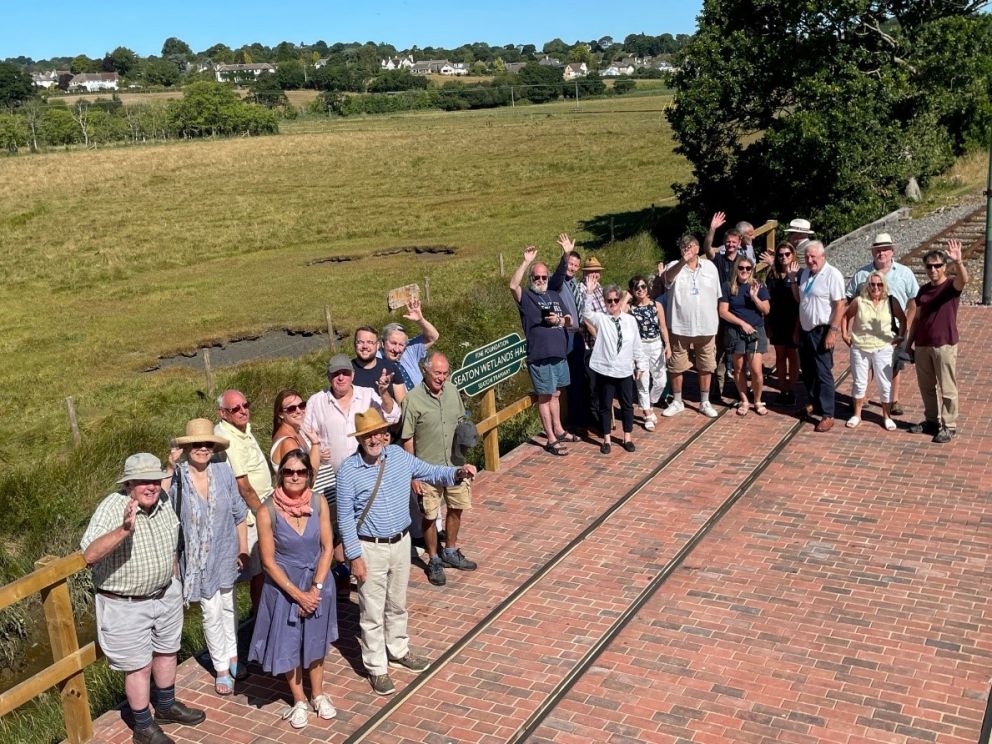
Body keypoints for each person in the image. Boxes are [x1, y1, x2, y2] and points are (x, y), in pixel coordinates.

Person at [337, 408, 477, 696]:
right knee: (372, 611)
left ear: (385, 434)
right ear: (360, 438)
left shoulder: (399, 457)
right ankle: (377, 667)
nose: (374, 438)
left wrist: (457, 472)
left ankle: (398, 650)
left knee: (397, 602)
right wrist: (354, 557)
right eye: (368, 435)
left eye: (378, 432)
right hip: (369, 547)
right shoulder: (348, 471)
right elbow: (344, 519)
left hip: (401, 543)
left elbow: (430, 470)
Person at [81, 453, 205, 744]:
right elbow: (89, 554)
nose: (150, 487)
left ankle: (165, 706)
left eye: (154, 480)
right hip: (126, 603)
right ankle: (143, 726)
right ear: (129, 485)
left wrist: (174, 580)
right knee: (139, 665)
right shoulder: (113, 507)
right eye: (142, 482)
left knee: (167, 650)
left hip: (164, 594)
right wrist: (124, 530)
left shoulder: (161, 501)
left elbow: (172, 541)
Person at [248, 450, 338, 729]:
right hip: (284, 587)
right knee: (289, 642)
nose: (295, 476)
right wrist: (299, 595)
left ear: (309, 475)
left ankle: (319, 694)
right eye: (289, 471)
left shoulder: (319, 502)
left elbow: (327, 548)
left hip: (318, 580)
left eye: (300, 471)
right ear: (281, 475)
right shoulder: (267, 511)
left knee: (315, 639)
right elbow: (268, 562)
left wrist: (316, 588)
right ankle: (299, 698)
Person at [303, 354, 401, 586]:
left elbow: (392, 415)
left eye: (345, 373)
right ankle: (344, 570)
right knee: (339, 524)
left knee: (365, 520)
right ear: (329, 376)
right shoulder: (317, 401)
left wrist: (385, 393)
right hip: (333, 478)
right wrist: (316, 449)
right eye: (336, 373)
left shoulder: (367, 395)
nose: (341, 377)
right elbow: (305, 436)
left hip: (366, 473)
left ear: (352, 375)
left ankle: (367, 568)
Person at [166, 420, 248, 696]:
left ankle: (234, 655)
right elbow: (162, 504)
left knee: (229, 606)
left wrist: (243, 548)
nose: (202, 449)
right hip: (197, 560)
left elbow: (239, 512)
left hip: (226, 551)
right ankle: (221, 667)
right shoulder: (177, 477)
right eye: (196, 445)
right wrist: (168, 467)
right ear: (187, 448)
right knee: (210, 612)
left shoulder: (223, 470)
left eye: (207, 444)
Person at [401, 350, 477, 586]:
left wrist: (466, 455)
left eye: (445, 373)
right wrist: (412, 474)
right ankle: (433, 558)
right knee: (430, 515)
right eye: (437, 373)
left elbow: (460, 423)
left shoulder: (453, 391)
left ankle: (451, 550)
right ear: (426, 371)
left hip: (454, 465)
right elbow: (407, 439)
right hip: (426, 469)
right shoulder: (412, 400)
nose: (441, 377)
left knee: (456, 507)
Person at [509, 246, 575, 455]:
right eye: (536, 277)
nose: (540, 279)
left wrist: (560, 320)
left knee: (555, 393)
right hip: (540, 355)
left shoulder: (554, 294)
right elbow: (512, 285)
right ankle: (551, 438)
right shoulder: (527, 297)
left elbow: (569, 319)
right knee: (545, 397)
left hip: (558, 353)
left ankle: (559, 429)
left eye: (543, 276)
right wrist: (526, 261)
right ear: (531, 278)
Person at [845, 233, 919, 416]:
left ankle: (894, 400)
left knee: (894, 365)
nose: (882, 253)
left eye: (885, 249)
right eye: (878, 250)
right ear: (873, 253)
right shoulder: (862, 274)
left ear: (892, 251)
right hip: (867, 330)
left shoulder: (905, 273)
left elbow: (914, 300)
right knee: (866, 364)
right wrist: (846, 330)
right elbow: (848, 298)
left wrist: (906, 325)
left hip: (895, 328)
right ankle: (863, 398)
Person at [214, 389, 272, 613]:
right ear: (222, 413)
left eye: (245, 405)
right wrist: (264, 513)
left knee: (263, 567)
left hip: (260, 507)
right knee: (255, 570)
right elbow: (244, 486)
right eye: (235, 409)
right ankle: (255, 621)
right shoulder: (229, 437)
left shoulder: (243, 429)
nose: (242, 411)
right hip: (250, 515)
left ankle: (262, 616)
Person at [907, 239, 969, 443]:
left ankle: (949, 426)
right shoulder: (923, 290)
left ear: (944, 267)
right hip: (923, 344)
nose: (933, 269)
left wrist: (958, 262)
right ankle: (931, 420)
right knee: (926, 386)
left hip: (944, 343)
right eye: (929, 266)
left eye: (938, 266)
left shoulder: (951, 286)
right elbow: (917, 318)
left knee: (947, 387)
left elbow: (964, 280)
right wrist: (909, 345)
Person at [661, 234, 721, 418]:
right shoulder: (673, 266)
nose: (686, 250)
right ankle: (677, 401)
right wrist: (682, 262)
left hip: (706, 326)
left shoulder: (710, 267)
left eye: (690, 247)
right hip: (680, 326)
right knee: (677, 365)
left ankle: (704, 402)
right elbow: (667, 278)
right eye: (683, 247)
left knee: (706, 365)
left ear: (697, 248)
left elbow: (717, 296)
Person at [584, 284, 647, 453]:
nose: (612, 303)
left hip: (625, 369)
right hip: (606, 370)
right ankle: (607, 439)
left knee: (627, 404)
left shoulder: (630, 321)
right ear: (605, 302)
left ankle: (627, 437)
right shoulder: (602, 319)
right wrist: (589, 293)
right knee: (605, 405)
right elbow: (586, 313)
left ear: (620, 301)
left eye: (615, 300)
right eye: (609, 300)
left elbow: (636, 344)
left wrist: (640, 364)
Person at [792, 240, 846, 432]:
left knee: (823, 372)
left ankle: (828, 414)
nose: (809, 260)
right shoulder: (806, 273)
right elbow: (803, 302)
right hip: (806, 328)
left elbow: (840, 304)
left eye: (813, 256)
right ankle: (814, 403)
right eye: (807, 257)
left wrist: (833, 331)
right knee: (808, 371)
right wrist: (798, 328)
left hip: (822, 329)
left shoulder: (833, 275)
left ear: (822, 256)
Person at [841, 271, 906, 430]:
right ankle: (857, 414)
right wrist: (844, 335)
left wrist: (900, 337)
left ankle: (886, 416)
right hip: (860, 347)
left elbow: (903, 319)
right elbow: (845, 316)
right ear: (867, 286)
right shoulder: (859, 301)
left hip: (883, 348)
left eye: (879, 284)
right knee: (859, 382)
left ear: (884, 286)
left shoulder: (891, 301)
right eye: (872, 284)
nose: (875, 287)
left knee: (884, 383)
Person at [549, 233, 592, 433]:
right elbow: (556, 278)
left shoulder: (574, 283)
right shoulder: (557, 283)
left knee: (580, 376)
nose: (572, 268)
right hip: (564, 335)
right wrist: (564, 256)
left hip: (577, 335)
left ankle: (583, 415)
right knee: (568, 380)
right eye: (570, 264)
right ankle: (574, 420)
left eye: (575, 265)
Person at [718, 256, 771, 415]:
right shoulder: (728, 287)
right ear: (736, 269)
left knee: (756, 370)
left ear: (752, 270)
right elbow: (723, 312)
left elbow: (766, 310)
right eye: (741, 268)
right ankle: (744, 399)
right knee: (739, 368)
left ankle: (757, 399)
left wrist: (755, 297)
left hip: (755, 331)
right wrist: (742, 323)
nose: (745, 271)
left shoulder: (758, 286)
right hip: (736, 331)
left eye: (748, 268)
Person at [624, 275, 671, 430]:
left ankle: (649, 404)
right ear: (632, 290)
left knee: (661, 381)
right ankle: (647, 413)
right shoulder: (631, 309)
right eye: (637, 288)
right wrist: (626, 297)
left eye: (643, 287)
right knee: (642, 382)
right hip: (640, 348)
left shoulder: (656, 305)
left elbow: (663, 326)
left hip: (656, 344)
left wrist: (667, 344)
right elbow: (619, 314)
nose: (641, 290)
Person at [762, 242, 801, 405]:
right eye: (780, 255)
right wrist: (767, 324)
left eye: (787, 254)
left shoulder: (800, 274)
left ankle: (791, 389)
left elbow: (801, 302)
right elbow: (768, 300)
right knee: (780, 356)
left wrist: (799, 327)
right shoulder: (772, 275)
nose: (784, 257)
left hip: (794, 321)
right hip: (777, 320)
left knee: (793, 356)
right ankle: (783, 389)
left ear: (793, 255)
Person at [379, 298, 440, 391]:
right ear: (382, 343)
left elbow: (433, 336)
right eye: (393, 343)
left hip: (423, 398)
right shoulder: (376, 360)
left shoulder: (409, 350)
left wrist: (420, 320)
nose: (397, 349)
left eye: (401, 345)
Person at [270, 389, 321, 471]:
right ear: (281, 414)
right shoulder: (289, 443)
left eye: (302, 405)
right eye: (291, 408)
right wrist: (315, 443)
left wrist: (319, 455)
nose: (299, 411)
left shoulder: (298, 431)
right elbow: (306, 477)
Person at [352, 326, 406, 403]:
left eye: (370, 342)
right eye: (360, 342)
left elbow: (402, 403)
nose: (365, 346)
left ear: (377, 345)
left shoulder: (391, 368)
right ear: (354, 345)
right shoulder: (346, 372)